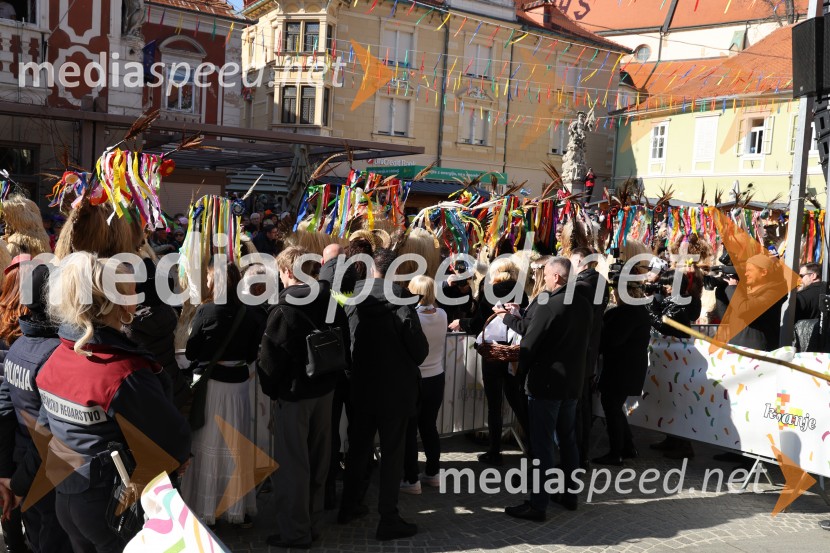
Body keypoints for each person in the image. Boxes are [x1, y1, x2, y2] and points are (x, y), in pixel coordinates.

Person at [36, 252, 191, 551]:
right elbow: (174, 440)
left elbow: (44, 428)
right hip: (114, 505)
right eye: (132, 289)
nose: (138, 295)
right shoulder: (123, 371)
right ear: (116, 303)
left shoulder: (56, 357)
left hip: (68, 496)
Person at [258, 246, 350, 549]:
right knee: (318, 461)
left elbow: (269, 363)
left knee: (293, 467)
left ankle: (296, 533)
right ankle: (311, 523)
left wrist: (273, 393)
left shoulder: (282, 310)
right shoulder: (330, 301)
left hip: (295, 397)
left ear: (286, 272)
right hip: (325, 392)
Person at [338, 248, 428, 541]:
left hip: (362, 387)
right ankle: (388, 518)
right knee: (392, 455)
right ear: (394, 271)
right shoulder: (401, 300)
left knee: (358, 449)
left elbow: (347, 344)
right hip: (394, 391)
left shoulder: (352, 299)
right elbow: (419, 350)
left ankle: (349, 506)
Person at [503, 257, 592, 519]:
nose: (545, 278)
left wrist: (519, 378)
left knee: (541, 446)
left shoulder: (549, 305)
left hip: (546, 385)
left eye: (548, 274)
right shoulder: (585, 304)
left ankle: (537, 504)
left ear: (558, 278)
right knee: (568, 441)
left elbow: (529, 347)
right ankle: (569, 494)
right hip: (572, 383)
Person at [181, 259, 264, 528]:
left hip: (214, 386)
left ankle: (207, 508)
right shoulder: (250, 311)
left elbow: (192, 353)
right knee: (236, 444)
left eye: (208, 278)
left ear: (215, 280)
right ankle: (236, 508)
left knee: (209, 444)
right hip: (239, 387)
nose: (206, 282)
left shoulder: (206, 312)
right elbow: (253, 353)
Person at [0, 260, 72, 553]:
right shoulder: (57, 355)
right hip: (48, 472)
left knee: (38, 538)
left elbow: (4, 412)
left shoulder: (16, 347)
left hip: (24, 467)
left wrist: (9, 474)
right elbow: (46, 430)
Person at [449, 258, 527, 466]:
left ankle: (495, 451)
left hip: (493, 352)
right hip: (513, 352)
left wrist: (461, 322)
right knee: (517, 401)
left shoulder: (490, 292)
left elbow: (478, 323)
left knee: (495, 405)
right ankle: (534, 446)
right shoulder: (521, 291)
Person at [593, 279, 651, 467]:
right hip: (629, 367)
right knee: (614, 407)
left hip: (622, 368)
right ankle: (626, 447)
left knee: (612, 407)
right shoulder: (639, 311)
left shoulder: (627, 313)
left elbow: (614, 340)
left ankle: (616, 452)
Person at [401, 276, 447, 493]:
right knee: (429, 427)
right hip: (436, 377)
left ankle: (411, 479)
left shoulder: (412, 316)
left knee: (410, 429)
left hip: (415, 379)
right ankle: (433, 472)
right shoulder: (443, 314)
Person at [570, 247, 609, 468]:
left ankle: (577, 455)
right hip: (590, 350)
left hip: (581, 352)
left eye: (572, 260)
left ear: (581, 261)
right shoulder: (601, 282)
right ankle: (581, 454)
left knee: (578, 407)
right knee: (583, 406)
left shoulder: (583, 285)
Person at [725, 253, 787, 351]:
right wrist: (722, 289)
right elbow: (725, 314)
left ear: (763, 272)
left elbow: (744, 310)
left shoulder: (773, 292)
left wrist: (733, 288)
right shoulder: (747, 291)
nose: (745, 274)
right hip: (737, 348)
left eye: (749, 270)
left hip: (756, 352)